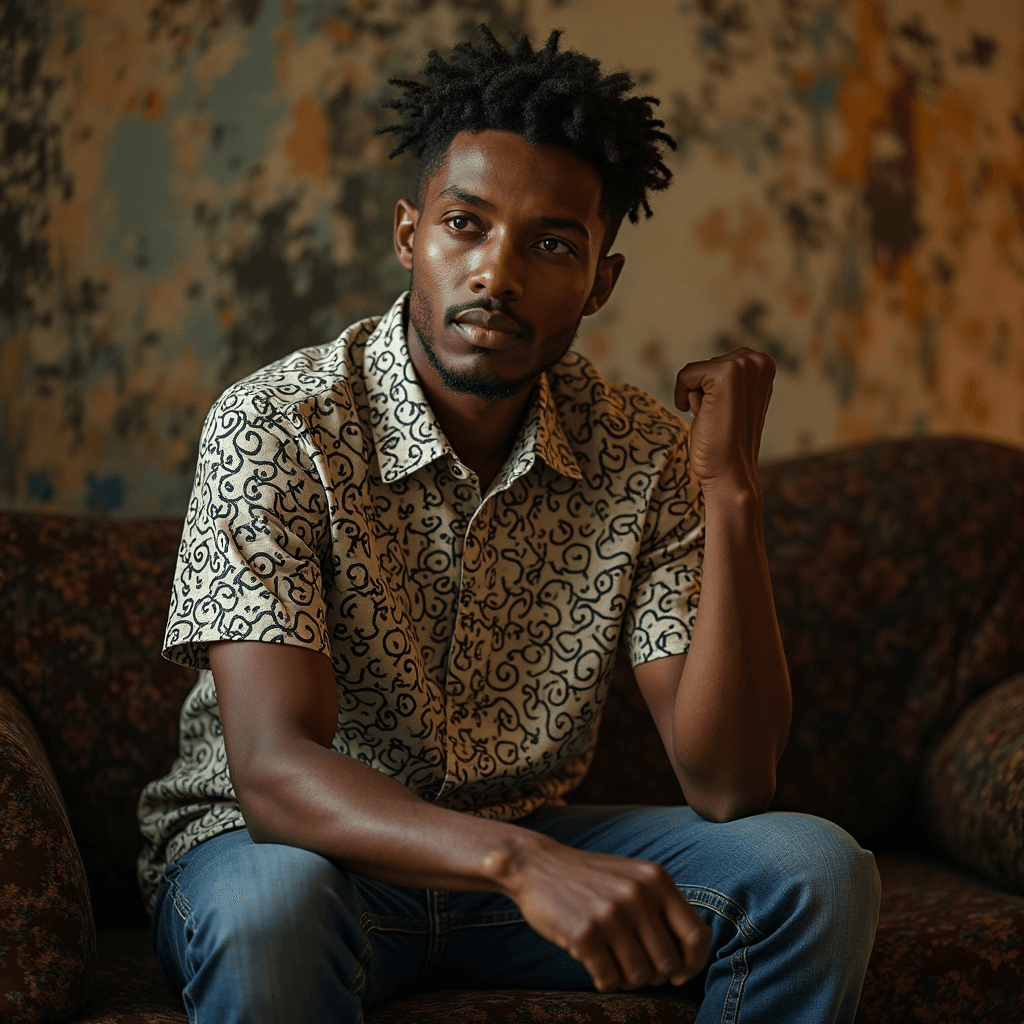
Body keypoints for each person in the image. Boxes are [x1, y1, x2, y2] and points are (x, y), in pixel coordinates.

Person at [137, 23, 880, 1024]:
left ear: (600, 281)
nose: (497, 272)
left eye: (552, 243)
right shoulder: (276, 424)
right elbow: (273, 774)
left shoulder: (643, 453)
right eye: (464, 224)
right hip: (296, 855)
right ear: (409, 236)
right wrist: (523, 862)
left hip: (519, 858)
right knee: (271, 912)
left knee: (815, 871)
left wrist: (731, 493)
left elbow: (730, 784)